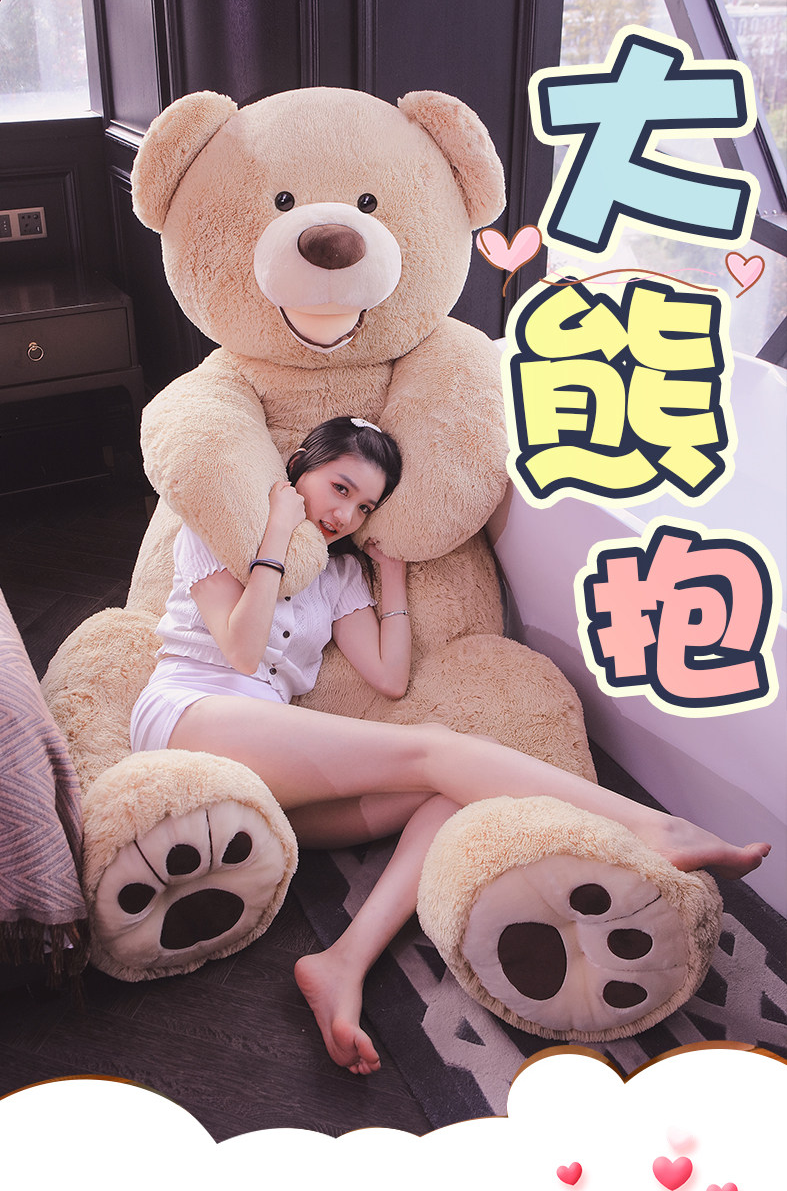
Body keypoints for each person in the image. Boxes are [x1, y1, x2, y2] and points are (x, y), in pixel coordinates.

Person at [131, 416, 770, 1076]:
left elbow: (389, 676)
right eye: (339, 488)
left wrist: (391, 575)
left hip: (266, 772)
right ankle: (653, 827)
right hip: (193, 716)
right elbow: (240, 652)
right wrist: (276, 532)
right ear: (299, 468)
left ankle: (342, 963)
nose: (345, 514)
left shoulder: (338, 576)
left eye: (364, 506)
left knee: (448, 793)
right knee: (434, 748)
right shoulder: (223, 529)